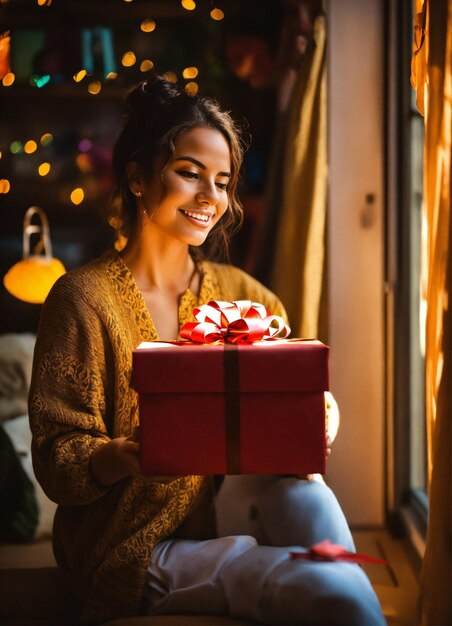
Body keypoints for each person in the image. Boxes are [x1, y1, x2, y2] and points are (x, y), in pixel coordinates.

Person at [29, 75, 386, 625]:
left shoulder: (244, 294)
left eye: (222, 181)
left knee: (309, 499)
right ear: (138, 178)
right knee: (328, 588)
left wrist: (320, 413)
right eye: (189, 174)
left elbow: (293, 390)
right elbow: (58, 464)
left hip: (233, 507)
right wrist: (126, 453)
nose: (210, 198)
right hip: (133, 541)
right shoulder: (83, 300)